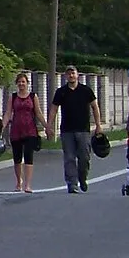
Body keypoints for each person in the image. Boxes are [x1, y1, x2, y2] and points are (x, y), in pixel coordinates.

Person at [51, 65, 103, 194]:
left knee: (84, 157)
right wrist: (48, 125)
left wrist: (98, 125)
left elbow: (95, 107)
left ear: (77, 75)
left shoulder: (86, 90)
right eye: (68, 74)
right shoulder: (61, 92)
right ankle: (72, 183)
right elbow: (54, 109)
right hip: (67, 130)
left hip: (83, 130)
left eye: (73, 73)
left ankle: (83, 178)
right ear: (66, 76)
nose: (71, 76)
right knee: (69, 157)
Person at [5, 72, 43, 193]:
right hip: (16, 129)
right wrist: (2, 126)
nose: (21, 84)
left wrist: (47, 126)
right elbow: (8, 113)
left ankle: (28, 184)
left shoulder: (33, 96)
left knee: (28, 156)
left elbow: (38, 113)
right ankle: (18, 182)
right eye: (19, 82)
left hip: (30, 130)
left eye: (23, 82)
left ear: (27, 83)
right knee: (17, 157)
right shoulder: (13, 97)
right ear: (17, 84)